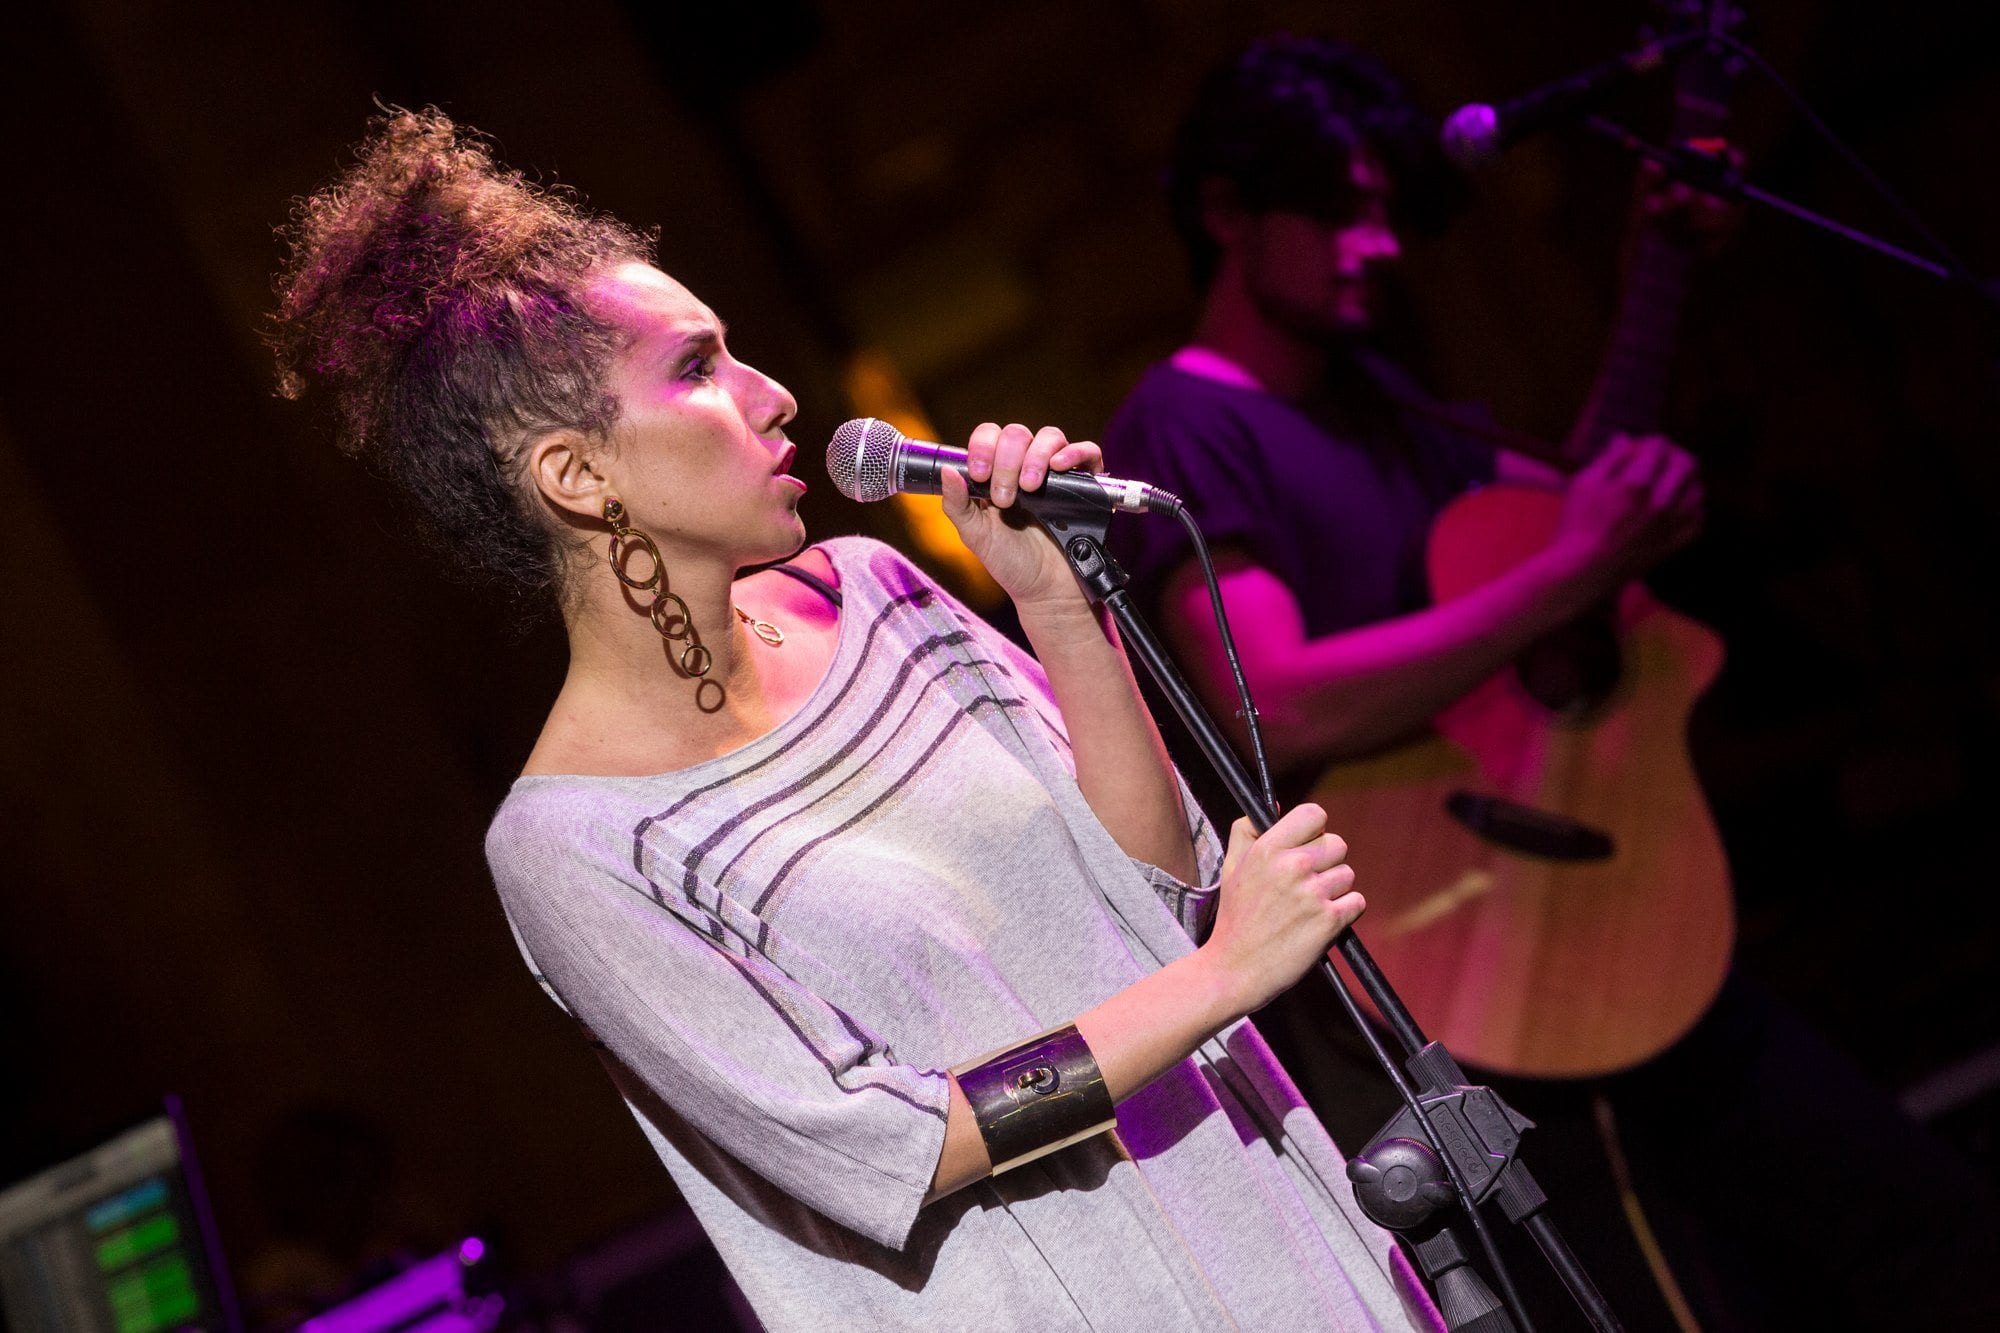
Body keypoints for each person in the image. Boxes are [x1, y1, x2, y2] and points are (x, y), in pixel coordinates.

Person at [269, 107, 1446, 1331]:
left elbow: (1158, 888)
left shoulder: (877, 591)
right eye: (696, 368)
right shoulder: (576, 845)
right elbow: (897, 1146)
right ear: (576, 474)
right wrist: (1219, 979)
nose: (772, 395)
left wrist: (1057, 604)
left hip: (1279, 1238)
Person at [1106, 34, 2000, 1331]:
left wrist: (1658, 276)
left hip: (1579, 902)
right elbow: (1277, 701)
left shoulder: (1373, 394)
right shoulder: (1185, 419)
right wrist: (1577, 562)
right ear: (1227, 213)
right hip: (1464, 956)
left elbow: (1551, 531)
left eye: (1386, 210)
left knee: (1925, 1228)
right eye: (1340, 210)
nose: (1378, 244)